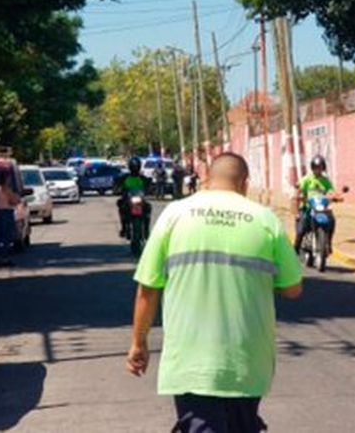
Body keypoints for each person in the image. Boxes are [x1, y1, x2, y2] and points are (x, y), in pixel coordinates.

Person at [127, 153, 303, 433]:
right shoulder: (265, 219)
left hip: (191, 363)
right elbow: (293, 288)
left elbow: (148, 288)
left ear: (206, 178)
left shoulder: (174, 215)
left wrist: (139, 342)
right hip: (247, 364)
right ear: (245, 183)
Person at [294, 155, 339, 255]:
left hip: (321, 208)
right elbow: (299, 189)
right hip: (307, 207)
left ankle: (328, 243)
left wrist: (336, 197)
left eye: (320, 167)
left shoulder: (325, 181)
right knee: (301, 229)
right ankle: (296, 249)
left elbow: (331, 191)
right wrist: (299, 195)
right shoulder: (307, 179)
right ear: (312, 168)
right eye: (316, 167)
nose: (318, 169)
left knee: (331, 220)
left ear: (323, 168)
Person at [117, 156, 149, 239]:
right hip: (128, 199)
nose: (135, 168)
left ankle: (146, 230)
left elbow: (148, 184)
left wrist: (150, 187)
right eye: (133, 166)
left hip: (140, 199)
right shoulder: (125, 177)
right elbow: (118, 183)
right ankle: (124, 227)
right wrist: (118, 188)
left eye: (136, 166)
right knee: (121, 206)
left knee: (148, 208)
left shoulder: (143, 178)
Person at [0, 170, 20, 255]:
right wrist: (17, 198)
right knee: (6, 235)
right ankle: (4, 255)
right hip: (6, 212)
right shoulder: (6, 189)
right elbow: (13, 200)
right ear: (6, 179)